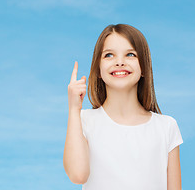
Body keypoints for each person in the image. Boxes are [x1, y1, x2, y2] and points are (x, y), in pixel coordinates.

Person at [63, 24, 184, 190]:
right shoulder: (84, 120)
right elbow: (77, 175)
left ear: (144, 67)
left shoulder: (166, 127)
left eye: (130, 54)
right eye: (109, 55)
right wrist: (73, 109)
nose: (119, 62)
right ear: (98, 68)